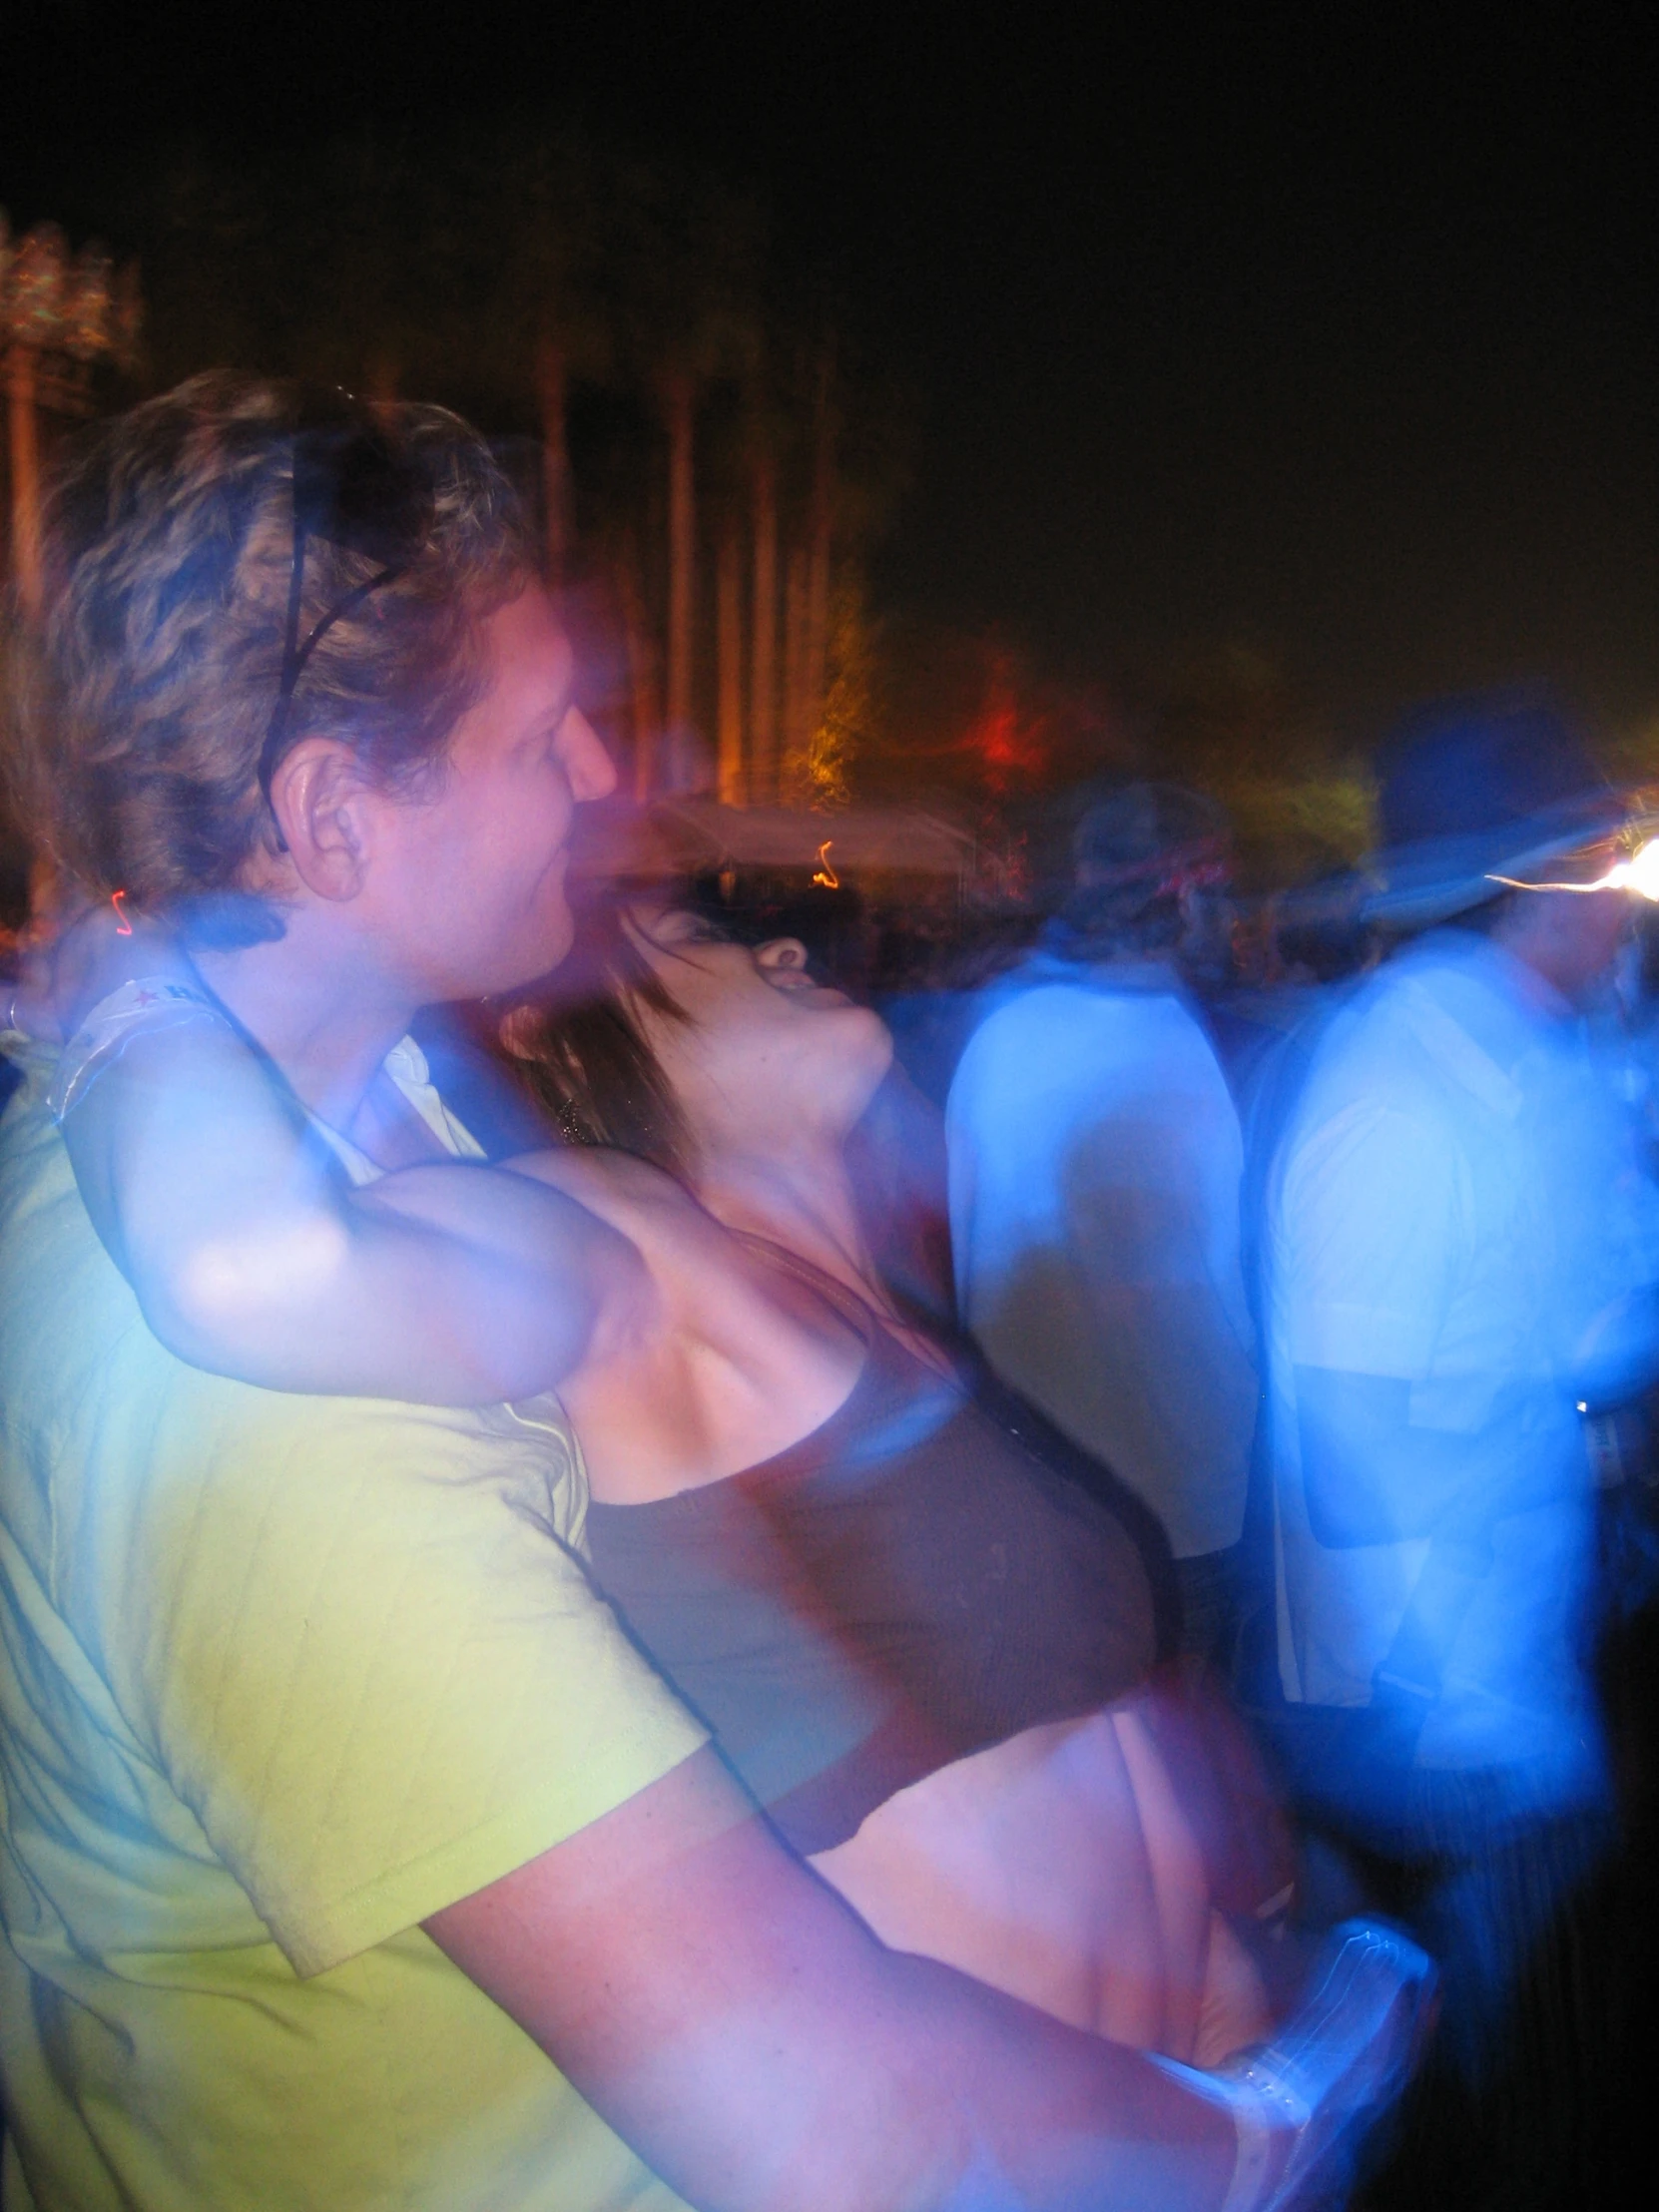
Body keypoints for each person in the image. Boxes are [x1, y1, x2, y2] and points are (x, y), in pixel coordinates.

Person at [0, 374, 1425, 2212]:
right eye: (548, 738)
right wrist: (1274, 2117)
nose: (608, 779)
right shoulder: (269, 1394)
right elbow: (823, 2122)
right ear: (332, 817)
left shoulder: (386, 1103)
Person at [1259, 697, 1659, 2199]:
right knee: (1516, 2072)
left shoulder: (1530, 1054)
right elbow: (1343, 1440)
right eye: (1600, 862)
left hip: (1536, 1616)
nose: (1622, 899)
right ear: (1537, 884)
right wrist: (1441, 1714)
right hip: (1455, 1686)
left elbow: (1584, 1314)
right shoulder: (1396, 1097)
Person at [947, 784, 1260, 1668]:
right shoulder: (1200, 1043)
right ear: (1193, 900)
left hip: (1050, 1469)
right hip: (1176, 1474)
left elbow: (975, 1253)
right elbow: (1227, 1281)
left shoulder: (1001, 1034)